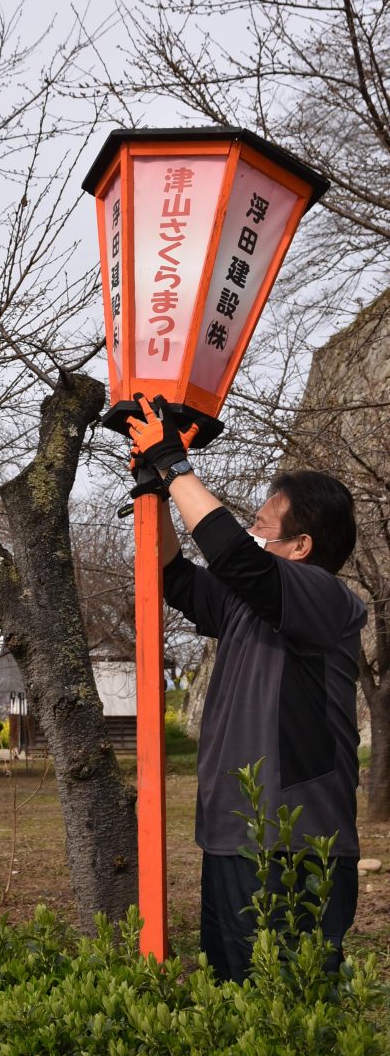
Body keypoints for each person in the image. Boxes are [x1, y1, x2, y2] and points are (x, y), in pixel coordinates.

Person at [128, 394, 367, 982]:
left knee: (288, 1008)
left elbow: (235, 557)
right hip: (234, 835)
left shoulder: (324, 597)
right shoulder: (247, 603)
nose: (251, 532)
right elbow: (177, 577)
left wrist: (177, 465)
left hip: (295, 844)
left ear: (302, 546)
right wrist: (153, 488)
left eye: (261, 526)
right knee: (235, 996)